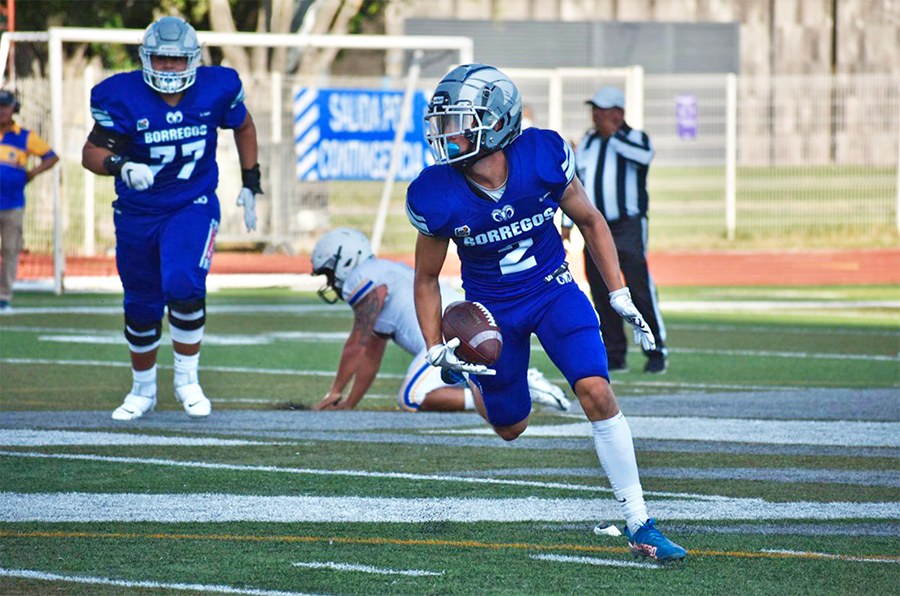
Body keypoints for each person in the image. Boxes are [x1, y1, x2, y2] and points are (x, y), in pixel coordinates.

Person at [406, 64, 686, 563]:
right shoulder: (437, 192)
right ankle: (481, 382)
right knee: (513, 427)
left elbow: (590, 219)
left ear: (496, 122)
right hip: (492, 311)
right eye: (443, 123)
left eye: (458, 122)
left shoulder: (542, 154)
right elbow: (427, 278)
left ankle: (641, 521)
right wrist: (434, 348)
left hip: (554, 291)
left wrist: (619, 292)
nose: (447, 134)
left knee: (596, 389)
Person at [81, 17, 262, 420]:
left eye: (177, 61)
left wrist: (252, 182)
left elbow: (244, 125)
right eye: (161, 59)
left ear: (193, 61)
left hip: (190, 203)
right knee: (142, 304)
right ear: (147, 58)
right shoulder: (121, 95)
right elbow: (90, 153)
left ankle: (187, 381)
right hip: (137, 212)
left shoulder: (217, 88)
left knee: (182, 282)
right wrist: (119, 164)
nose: (168, 68)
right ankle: (142, 390)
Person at [309, 227, 569, 413]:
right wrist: (349, 403)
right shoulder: (381, 270)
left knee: (413, 396)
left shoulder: (362, 277)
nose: (331, 282)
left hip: (447, 335)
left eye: (329, 273)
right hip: (460, 326)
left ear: (344, 260)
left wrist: (334, 391)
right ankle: (517, 385)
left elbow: (358, 343)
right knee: (442, 384)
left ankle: (513, 395)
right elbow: (370, 355)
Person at [561, 86, 667, 374]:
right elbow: (575, 184)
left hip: (627, 225)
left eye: (602, 110)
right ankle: (615, 351)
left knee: (638, 286)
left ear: (618, 113)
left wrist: (614, 136)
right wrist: (567, 224)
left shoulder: (635, 138)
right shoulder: (589, 142)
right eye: (594, 109)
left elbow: (644, 157)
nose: (596, 115)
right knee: (601, 288)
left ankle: (656, 349)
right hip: (594, 227)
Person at [0, 90, 59, 312]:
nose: (1, 111)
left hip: (12, 203)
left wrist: (31, 174)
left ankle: (3, 296)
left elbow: (51, 156)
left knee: (9, 249)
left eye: (5, 106)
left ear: (13, 109)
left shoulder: (24, 136)